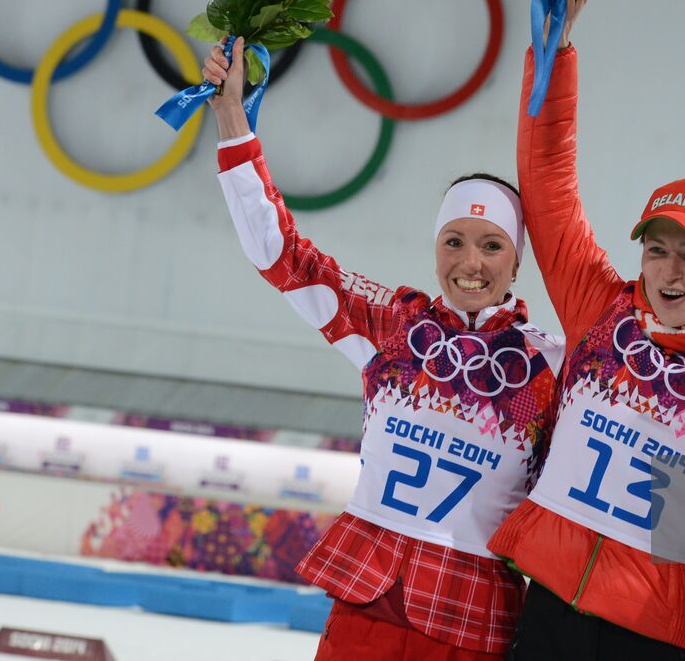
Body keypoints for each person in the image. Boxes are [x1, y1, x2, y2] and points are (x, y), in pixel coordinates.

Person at [202, 39, 565, 660]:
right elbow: (278, 253)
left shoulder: (554, 364)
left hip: (468, 617)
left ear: (518, 259)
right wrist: (231, 114)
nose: (469, 263)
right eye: (453, 241)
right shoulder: (395, 326)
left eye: (491, 245)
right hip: (366, 597)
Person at [487, 0, 685, 660]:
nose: (670, 273)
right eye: (657, 251)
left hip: (655, 627)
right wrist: (554, 53)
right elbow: (549, 187)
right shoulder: (601, 310)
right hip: (554, 598)